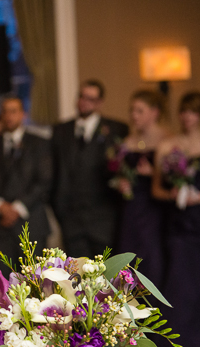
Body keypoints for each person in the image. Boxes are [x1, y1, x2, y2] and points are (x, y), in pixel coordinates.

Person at [152, 91, 200, 347]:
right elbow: (155, 189)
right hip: (176, 221)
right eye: (183, 111)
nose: (187, 117)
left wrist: (197, 197)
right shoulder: (168, 146)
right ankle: (177, 343)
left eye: (193, 112)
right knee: (179, 280)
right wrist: (175, 195)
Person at [51, 79, 129, 258]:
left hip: (104, 218)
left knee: (105, 276)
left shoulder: (117, 130)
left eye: (90, 98)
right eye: (81, 96)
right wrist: (59, 209)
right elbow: (55, 172)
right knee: (77, 277)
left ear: (100, 103)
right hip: (71, 218)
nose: (84, 101)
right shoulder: (61, 131)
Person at [0, 97, 51, 266]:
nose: (8, 116)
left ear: (22, 115)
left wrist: (17, 208)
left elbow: (44, 181)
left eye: (13, 111)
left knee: (34, 284)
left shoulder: (39, 143)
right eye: (4, 111)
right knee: (1, 285)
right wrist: (0, 206)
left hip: (31, 224)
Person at [114, 90, 169, 286]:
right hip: (131, 207)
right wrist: (121, 182)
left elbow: (174, 181)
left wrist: (153, 173)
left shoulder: (167, 139)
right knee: (128, 256)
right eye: (132, 110)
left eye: (139, 110)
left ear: (154, 112)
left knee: (152, 256)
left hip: (155, 208)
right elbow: (121, 172)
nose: (133, 115)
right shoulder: (129, 140)